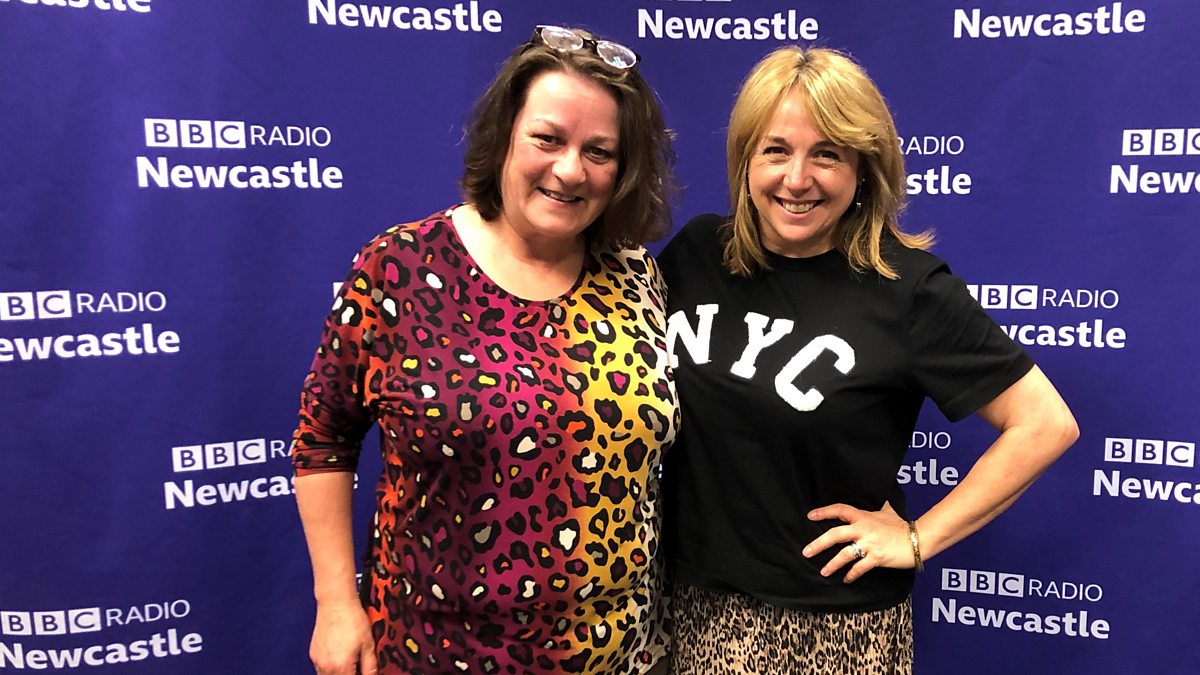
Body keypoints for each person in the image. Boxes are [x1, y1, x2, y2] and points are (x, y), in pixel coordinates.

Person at [658, 46, 1079, 674]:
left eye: (827, 153)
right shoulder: (696, 253)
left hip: (825, 631)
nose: (797, 178)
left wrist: (917, 538)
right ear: (746, 160)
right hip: (682, 601)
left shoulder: (909, 289)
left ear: (864, 167)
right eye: (776, 150)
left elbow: (1045, 424)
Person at [291, 25, 678, 675]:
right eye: (547, 139)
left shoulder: (637, 276)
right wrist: (335, 603)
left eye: (599, 151)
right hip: (436, 650)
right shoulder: (399, 267)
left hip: (622, 651)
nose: (570, 170)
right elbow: (323, 437)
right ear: (505, 136)